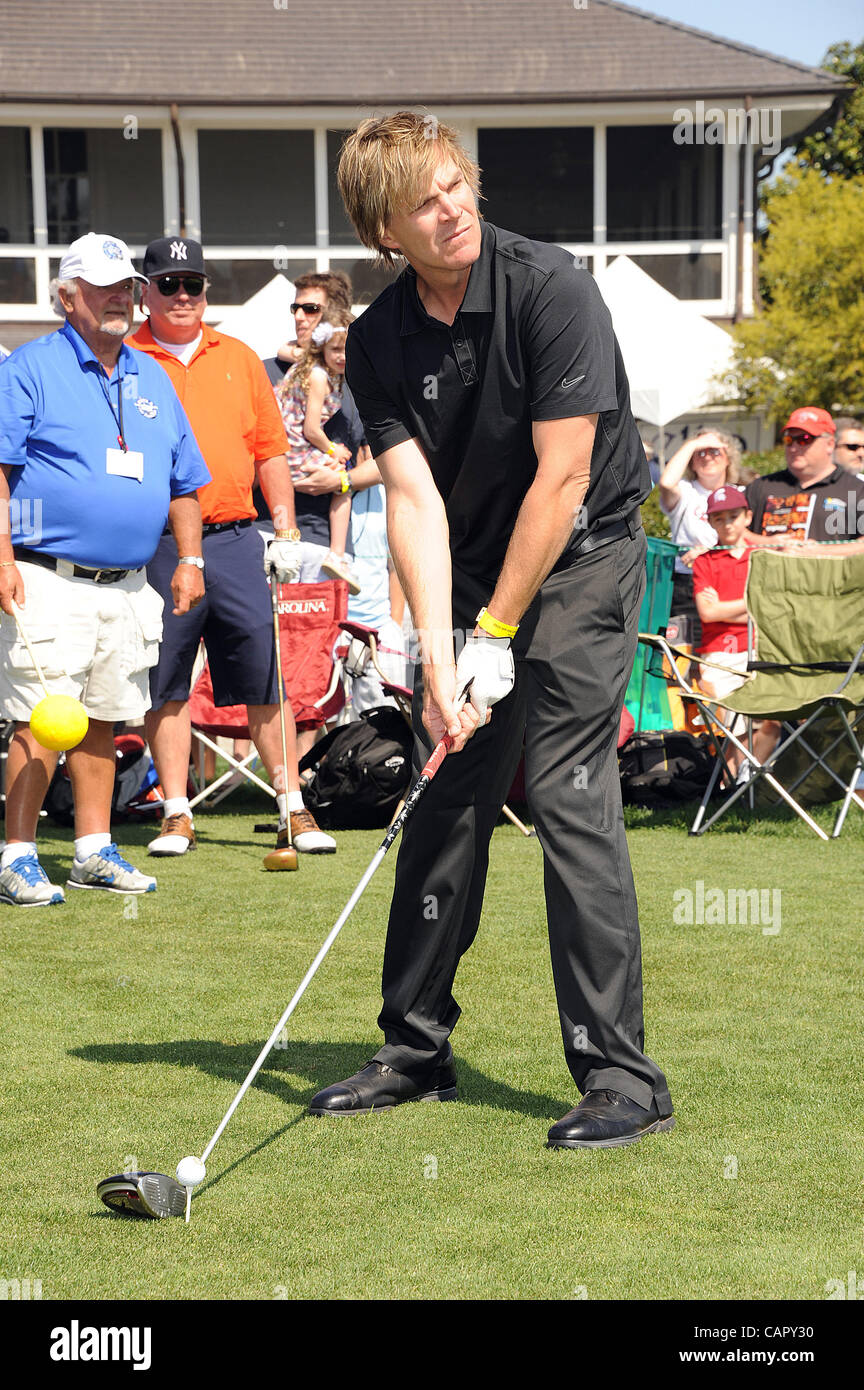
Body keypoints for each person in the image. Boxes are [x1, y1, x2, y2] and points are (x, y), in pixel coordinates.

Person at [308, 112, 674, 1149]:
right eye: (425, 200)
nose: (454, 207)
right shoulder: (376, 342)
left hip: (588, 551)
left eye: (457, 183)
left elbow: (562, 479)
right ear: (385, 229)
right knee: (441, 787)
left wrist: (498, 632)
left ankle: (622, 1077)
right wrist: (438, 654)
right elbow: (414, 504)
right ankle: (415, 1049)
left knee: (564, 790)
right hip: (473, 570)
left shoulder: (551, 286)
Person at [0, 233, 210, 906]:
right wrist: (1, 557)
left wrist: (192, 559)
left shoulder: (151, 373)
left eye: (126, 286)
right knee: (43, 716)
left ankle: (92, 849)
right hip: (46, 573)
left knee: (103, 718)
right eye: (103, 288)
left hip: (127, 583)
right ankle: (17, 855)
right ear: (68, 296)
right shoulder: (29, 367)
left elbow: (184, 483)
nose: (121, 298)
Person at [128, 236, 335, 858]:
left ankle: (291, 807)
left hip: (239, 537)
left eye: (193, 284)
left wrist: (287, 527)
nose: (183, 296)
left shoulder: (240, 358)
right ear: (146, 291)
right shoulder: (126, 357)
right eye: (169, 284)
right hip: (157, 545)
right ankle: (174, 811)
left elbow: (269, 450)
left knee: (262, 675)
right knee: (164, 682)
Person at [692, 486, 780, 783]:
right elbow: (708, 613)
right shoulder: (706, 560)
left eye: (734, 515)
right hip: (720, 654)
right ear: (711, 522)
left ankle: (735, 786)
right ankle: (731, 788)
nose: (728, 523)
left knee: (771, 723)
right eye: (720, 518)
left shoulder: (764, 557)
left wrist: (729, 606)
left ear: (748, 517)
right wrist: (752, 602)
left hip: (761, 650)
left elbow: (773, 608)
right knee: (736, 726)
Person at [274, 310, 360, 592]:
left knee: (339, 478)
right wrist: (333, 449)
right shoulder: (320, 376)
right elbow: (311, 429)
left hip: (290, 445)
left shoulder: (320, 368)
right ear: (322, 348)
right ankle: (336, 555)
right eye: (335, 349)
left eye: (347, 349)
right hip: (292, 448)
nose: (342, 356)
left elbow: (282, 349)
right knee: (342, 480)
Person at [657, 430, 742, 643]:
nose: (707, 456)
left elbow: (748, 540)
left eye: (715, 451)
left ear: (728, 459)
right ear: (692, 463)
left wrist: (709, 553)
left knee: (721, 651)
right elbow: (666, 483)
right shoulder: (685, 492)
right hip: (686, 584)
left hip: (727, 582)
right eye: (700, 453)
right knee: (682, 656)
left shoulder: (741, 494)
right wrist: (692, 444)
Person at [745, 407, 864, 544]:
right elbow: (728, 529)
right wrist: (766, 543)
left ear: (830, 444)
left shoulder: (856, 490)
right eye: (789, 440)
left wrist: (818, 553)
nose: (794, 447)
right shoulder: (761, 487)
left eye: (804, 439)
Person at [263, 270, 353, 384]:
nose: (298, 316)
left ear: (338, 314)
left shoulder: (365, 373)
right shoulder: (265, 373)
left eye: (310, 308)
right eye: (295, 308)